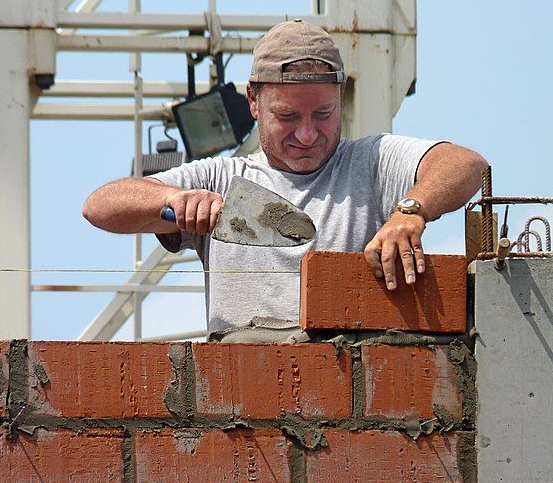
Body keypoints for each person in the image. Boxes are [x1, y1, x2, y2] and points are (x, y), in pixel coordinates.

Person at [83, 19, 487, 339]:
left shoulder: (372, 163)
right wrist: (172, 198)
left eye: (323, 114)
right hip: (242, 409)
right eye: (288, 117)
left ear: (340, 96)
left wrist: (409, 214)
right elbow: (99, 206)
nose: (307, 134)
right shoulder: (222, 179)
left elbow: (465, 164)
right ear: (254, 101)